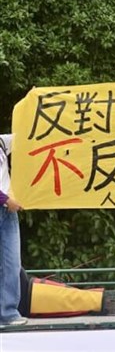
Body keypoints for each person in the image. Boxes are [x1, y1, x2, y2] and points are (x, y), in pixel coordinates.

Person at [0, 134, 26, 326]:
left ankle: (8, 313)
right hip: (6, 204)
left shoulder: (2, 141)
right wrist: (6, 200)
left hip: (8, 212)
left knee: (12, 263)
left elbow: (28, 134)